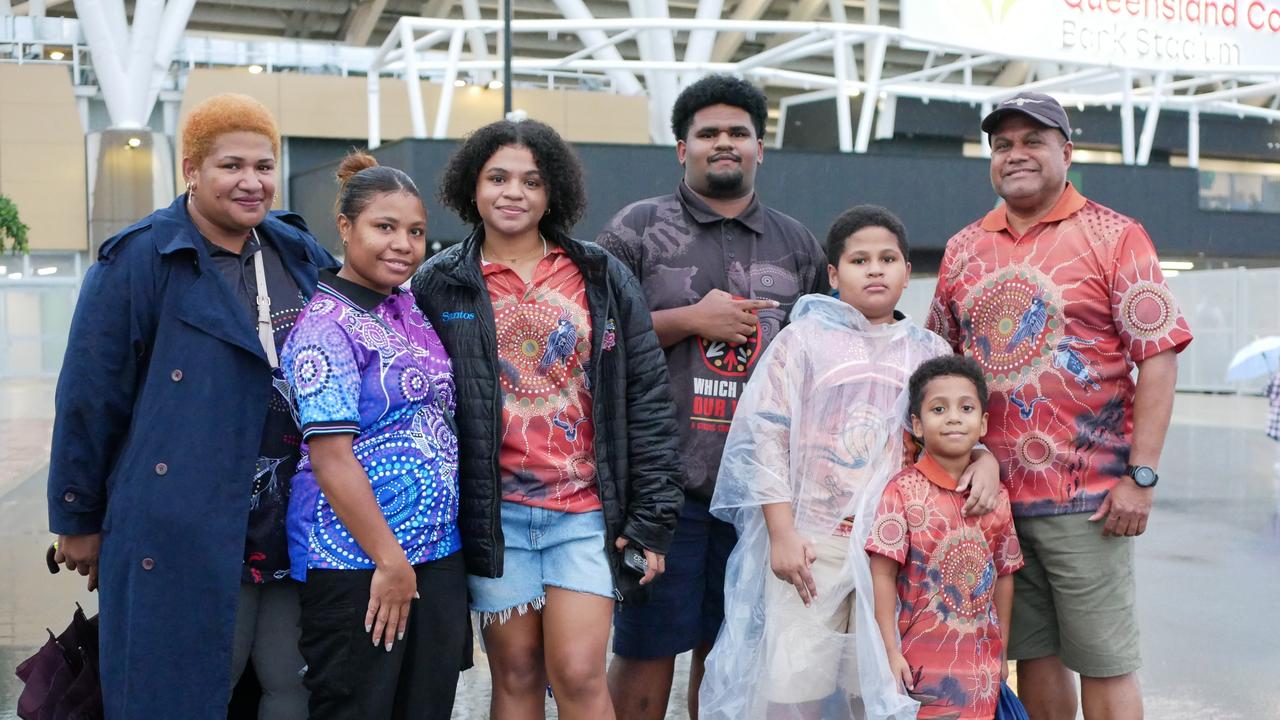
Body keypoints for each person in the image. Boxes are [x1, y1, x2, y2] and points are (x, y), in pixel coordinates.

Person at [47, 93, 336, 719]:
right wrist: (77, 517)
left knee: (293, 690)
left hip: (290, 517)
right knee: (180, 689)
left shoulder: (297, 253)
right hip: (178, 518)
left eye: (264, 166)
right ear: (192, 171)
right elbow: (89, 397)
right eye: (232, 166)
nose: (251, 182)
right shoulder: (139, 260)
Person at [928, 91, 1194, 720]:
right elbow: (942, 366)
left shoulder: (1114, 235)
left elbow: (1158, 355)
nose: (1015, 155)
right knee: (1033, 659)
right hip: (992, 500)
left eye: (1032, 141)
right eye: (1002, 145)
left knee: (1104, 660)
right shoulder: (964, 248)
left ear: (1066, 152)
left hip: (1091, 499)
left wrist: (1142, 476)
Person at [412, 118, 684, 720]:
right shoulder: (440, 283)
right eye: (499, 178)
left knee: (581, 673)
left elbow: (646, 392)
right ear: (472, 188)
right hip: (494, 517)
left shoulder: (599, 274)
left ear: (552, 190)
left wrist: (652, 520)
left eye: (531, 181)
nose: (515, 192)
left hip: (584, 514)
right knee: (515, 675)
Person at [700, 206, 1001, 720]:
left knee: (878, 687)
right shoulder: (803, 341)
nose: (876, 269)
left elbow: (954, 426)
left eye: (888, 259)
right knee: (794, 688)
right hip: (813, 546)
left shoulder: (927, 350)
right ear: (835, 275)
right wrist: (782, 532)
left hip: (896, 552)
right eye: (859, 260)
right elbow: (765, 436)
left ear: (908, 271)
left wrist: (985, 457)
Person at [596, 73, 832, 720]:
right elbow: (592, 334)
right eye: (708, 134)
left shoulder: (799, 246)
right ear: (682, 149)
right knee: (646, 651)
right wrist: (688, 321)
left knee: (728, 652)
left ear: (761, 147)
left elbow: (824, 362)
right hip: (661, 488)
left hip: (760, 495)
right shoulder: (637, 231)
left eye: (738, 132)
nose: (723, 143)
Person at [280, 153, 469, 719]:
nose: (403, 245)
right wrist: (390, 562)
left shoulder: (407, 306)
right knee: (358, 708)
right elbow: (333, 459)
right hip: (357, 562)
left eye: (414, 232)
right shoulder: (324, 326)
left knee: (426, 708)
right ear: (345, 226)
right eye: (383, 227)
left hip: (436, 554)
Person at [867, 355, 1023, 720]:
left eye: (966, 408)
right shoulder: (901, 491)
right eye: (939, 409)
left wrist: (1001, 653)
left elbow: (1005, 574)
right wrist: (889, 652)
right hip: (918, 669)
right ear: (918, 425)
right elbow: (882, 574)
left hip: (979, 668)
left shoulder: (996, 496)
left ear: (982, 422)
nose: (953, 417)